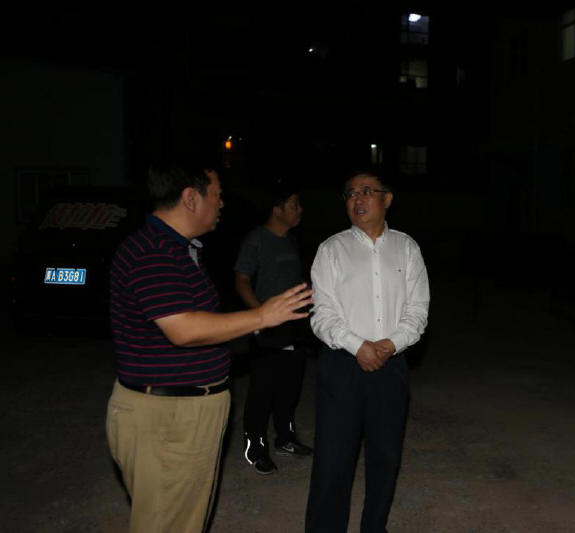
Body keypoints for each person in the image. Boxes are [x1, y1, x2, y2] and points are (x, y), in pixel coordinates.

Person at [105, 162, 312, 533]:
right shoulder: (153, 251)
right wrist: (262, 316)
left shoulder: (182, 249)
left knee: (184, 519)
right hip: (166, 418)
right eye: (217, 194)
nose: (222, 203)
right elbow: (184, 329)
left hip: (182, 412)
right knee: (166, 523)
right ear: (190, 198)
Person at [305, 172, 430, 533]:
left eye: (366, 192)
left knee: (385, 458)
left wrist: (390, 345)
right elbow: (322, 313)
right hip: (341, 366)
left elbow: (417, 309)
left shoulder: (407, 247)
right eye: (350, 194)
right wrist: (358, 346)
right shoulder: (331, 249)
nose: (357, 199)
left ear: (387, 199)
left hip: (391, 366)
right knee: (333, 461)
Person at [234, 183, 313, 475]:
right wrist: (259, 315)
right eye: (294, 205)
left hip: (294, 327)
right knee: (262, 391)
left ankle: (286, 438)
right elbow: (241, 279)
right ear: (277, 209)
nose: (300, 210)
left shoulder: (291, 240)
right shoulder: (257, 239)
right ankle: (255, 447)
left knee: (289, 387)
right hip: (267, 328)